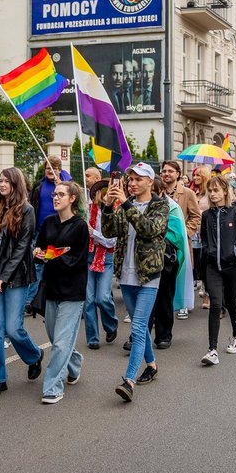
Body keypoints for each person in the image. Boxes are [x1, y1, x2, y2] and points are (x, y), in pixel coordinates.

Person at [101, 163, 168, 403]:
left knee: (138, 327)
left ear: (151, 182)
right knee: (140, 329)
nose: (132, 183)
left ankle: (128, 381)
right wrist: (108, 205)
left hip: (149, 275)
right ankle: (151, 364)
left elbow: (149, 229)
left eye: (139, 179)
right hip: (126, 275)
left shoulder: (160, 205)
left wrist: (126, 204)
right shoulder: (123, 203)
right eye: (130, 179)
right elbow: (110, 231)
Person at [0, 168, 44, 396]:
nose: (1, 184)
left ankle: (35, 355)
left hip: (17, 276)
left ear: (15, 184)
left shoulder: (27, 210)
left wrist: (5, 276)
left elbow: (22, 248)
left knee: (13, 328)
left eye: (6, 181)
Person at [33, 181, 89, 404]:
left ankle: (53, 387)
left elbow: (76, 260)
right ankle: (74, 363)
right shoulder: (48, 222)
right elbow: (40, 248)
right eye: (54, 194)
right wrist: (39, 253)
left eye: (61, 195)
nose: (55, 198)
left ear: (72, 199)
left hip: (73, 291)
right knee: (56, 338)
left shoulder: (80, 226)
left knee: (60, 343)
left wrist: (51, 255)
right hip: (51, 288)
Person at [200, 175, 236, 364]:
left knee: (231, 303)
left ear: (225, 191)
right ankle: (212, 350)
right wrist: (207, 251)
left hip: (233, 267)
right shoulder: (206, 215)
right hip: (212, 267)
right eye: (210, 191)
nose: (213, 194)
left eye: (216, 190)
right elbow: (204, 238)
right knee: (215, 305)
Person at [25, 156, 70, 314]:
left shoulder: (66, 185)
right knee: (38, 264)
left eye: (54, 168)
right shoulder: (39, 185)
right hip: (40, 231)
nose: (51, 171)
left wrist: (62, 186)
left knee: (57, 263)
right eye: (48, 168)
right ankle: (31, 301)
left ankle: (60, 298)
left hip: (59, 232)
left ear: (60, 170)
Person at [159, 160, 201, 327]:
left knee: (181, 272)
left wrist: (186, 233)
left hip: (179, 243)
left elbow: (196, 216)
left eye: (170, 171)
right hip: (160, 243)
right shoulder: (158, 191)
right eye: (164, 171)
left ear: (177, 174)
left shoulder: (187, 193)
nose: (166, 174)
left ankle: (182, 303)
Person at [83, 179, 118, 350]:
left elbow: (111, 242)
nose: (105, 198)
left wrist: (93, 233)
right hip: (88, 257)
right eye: (102, 195)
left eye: (107, 195)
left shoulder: (114, 213)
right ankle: (92, 338)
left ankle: (111, 325)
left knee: (102, 297)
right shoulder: (89, 211)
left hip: (106, 258)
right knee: (88, 300)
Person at [189, 166, 212, 309]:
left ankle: (207, 296)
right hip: (193, 233)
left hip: (206, 233)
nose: (195, 177)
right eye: (194, 175)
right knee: (194, 263)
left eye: (198, 175)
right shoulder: (192, 192)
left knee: (205, 264)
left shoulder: (210, 194)